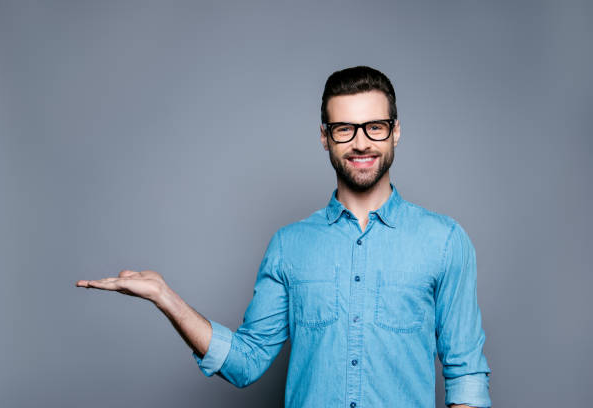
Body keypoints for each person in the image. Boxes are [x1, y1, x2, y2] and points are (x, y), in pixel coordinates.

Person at [76, 66, 492, 407]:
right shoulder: (289, 246)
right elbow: (246, 361)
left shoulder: (444, 242)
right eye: (344, 128)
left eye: (375, 127)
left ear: (395, 132)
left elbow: (467, 374)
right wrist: (166, 297)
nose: (361, 142)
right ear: (325, 137)